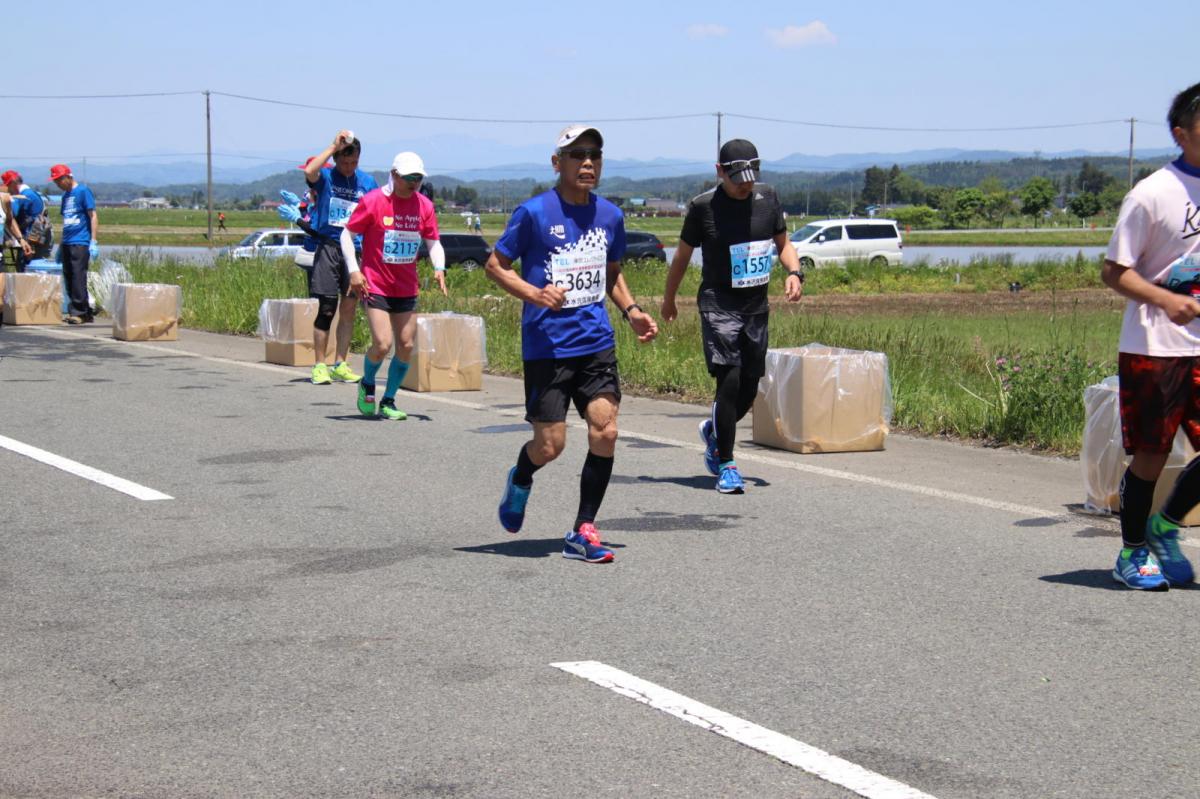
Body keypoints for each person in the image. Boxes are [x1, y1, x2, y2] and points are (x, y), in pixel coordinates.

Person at [487, 124, 658, 564]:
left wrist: (632, 311)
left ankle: (583, 528)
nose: (588, 163)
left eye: (595, 155)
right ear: (556, 162)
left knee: (607, 429)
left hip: (595, 341)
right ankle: (522, 476)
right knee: (551, 446)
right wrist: (534, 293)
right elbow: (495, 265)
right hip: (547, 346)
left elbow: (612, 272)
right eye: (577, 154)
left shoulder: (610, 216)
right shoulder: (534, 213)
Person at [661, 139, 804, 493]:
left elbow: (783, 244)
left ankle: (713, 430)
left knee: (750, 385)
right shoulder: (703, 208)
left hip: (755, 305)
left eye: (751, 176)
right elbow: (681, 258)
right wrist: (669, 299)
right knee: (729, 380)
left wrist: (794, 272)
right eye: (737, 176)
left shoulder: (768, 199)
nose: (745, 183)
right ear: (719, 172)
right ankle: (727, 463)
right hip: (718, 303)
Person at [1101, 81, 1200, 590]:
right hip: (1155, 346)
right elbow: (1115, 271)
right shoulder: (1151, 194)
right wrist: (1166, 300)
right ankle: (1132, 551)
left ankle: (1166, 525)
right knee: (1152, 456)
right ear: (1182, 133)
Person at [340, 152, 447, 420]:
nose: (414, 183)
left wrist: (439, 268)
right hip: (375, 283)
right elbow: (347, 234)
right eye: (409, 177)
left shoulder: (424, 206)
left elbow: (433, 242)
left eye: (418, 178)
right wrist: (354, 271)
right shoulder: (374, 201)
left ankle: (389, 400)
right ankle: (367, 382)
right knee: (383, 342)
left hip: (406, 287)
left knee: (406, 345)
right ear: (395, 175)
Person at [302, 130, 377, 385]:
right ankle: (319, 365)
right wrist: (332, 146)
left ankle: (340, 363)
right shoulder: (326, 177)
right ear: (336, 160)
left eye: (353, 162)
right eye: (344, 162)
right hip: (329, 247)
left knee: (348, 308)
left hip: (354, 252)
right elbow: (310, 171)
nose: (349, 167)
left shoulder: (366, 183)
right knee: (326, 308)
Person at [49, 164, 98, 324]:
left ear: (68, 177)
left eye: (59, 180)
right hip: (68, 241)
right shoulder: (65, 196)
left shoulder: (83, 191)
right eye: (55, 182)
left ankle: (79, 312)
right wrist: (61, 245)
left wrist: (93, 241)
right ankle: (84, 311)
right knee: (69, 276)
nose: (58, 184)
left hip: (81, 240)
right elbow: (66, 222)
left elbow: (92, 216)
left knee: (78, 276)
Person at [2, 170, 45, 269]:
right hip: (38, 235)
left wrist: (6, 201)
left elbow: (11, 214)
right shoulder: (31, 192)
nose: (8, 190)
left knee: (25, 268)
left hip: (31, 238)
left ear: (13, 183)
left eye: (8, 186)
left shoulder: (22, 196)